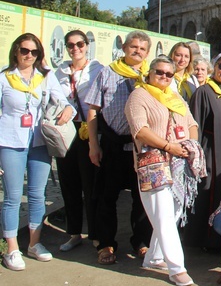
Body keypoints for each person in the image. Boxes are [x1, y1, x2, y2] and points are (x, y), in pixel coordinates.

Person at [125, 56, 201, 286]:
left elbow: (191, 124)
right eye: (160, 72)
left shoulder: (174, 96)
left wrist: (189, 146)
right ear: (149, 73)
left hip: (178, 163)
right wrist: (169, 146)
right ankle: (177, 268)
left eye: (169, 74)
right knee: (165, 215)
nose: (165, 77)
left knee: (173, 213)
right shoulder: (139, 95)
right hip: (154, 163)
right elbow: (140, 130)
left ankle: (154, 257)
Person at [1, 33, 74, 271]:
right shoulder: (4, 77)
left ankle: (34, 243)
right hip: (10, 142)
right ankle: (12, 248)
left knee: (37, 195)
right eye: (25, 51)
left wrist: (66, 111)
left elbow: (64, 102)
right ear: (16, 51)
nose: (29, 56)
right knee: (12, 197)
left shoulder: (45, 77)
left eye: (34, 52)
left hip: (40, 143)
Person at [85, 30, 153, 265]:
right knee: (106, 198)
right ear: (124, 48)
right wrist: (94, 144)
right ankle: (105, 244)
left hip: (140, 147)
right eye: (133, 47)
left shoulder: (151, 76)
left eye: (142, 49)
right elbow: (93, 109)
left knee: (142, 198)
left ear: (148, 53)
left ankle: (141, 241)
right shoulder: (107, 72)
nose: (137, 51)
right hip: (113, 145)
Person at [53, 30, 103, 252]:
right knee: (68, 182)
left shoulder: (97, 70)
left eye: (79, 44)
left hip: (87, 130)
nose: (75, 49)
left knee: (90, 184)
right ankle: (73, 232)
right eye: (71, 45)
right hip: (65, 131)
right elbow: (53, 99)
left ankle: (94, 232)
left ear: (87, 45)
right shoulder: (59, 72)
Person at [187, 53, 221, 248]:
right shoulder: (203, 92)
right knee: (208, 191)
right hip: (211, 152)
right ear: (215, 67)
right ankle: (206, 239)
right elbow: (195, 125)